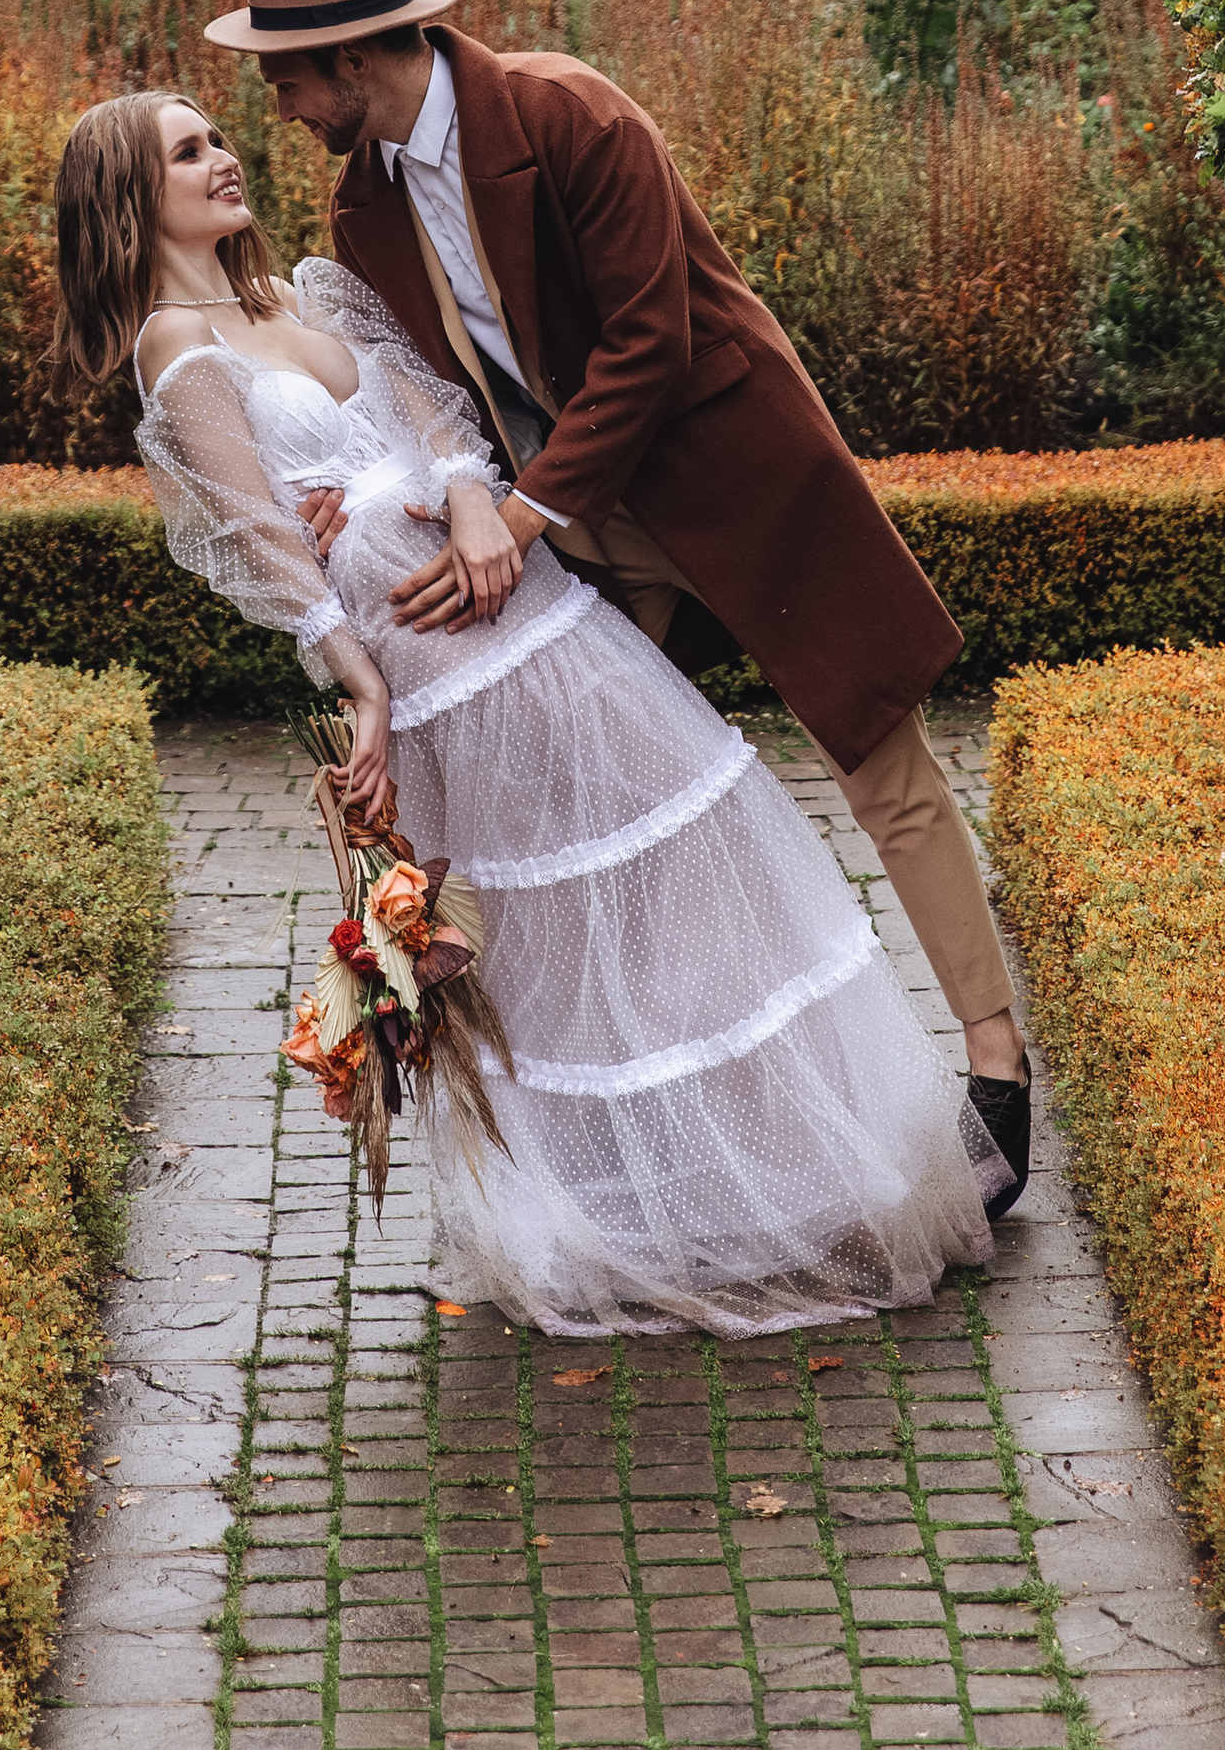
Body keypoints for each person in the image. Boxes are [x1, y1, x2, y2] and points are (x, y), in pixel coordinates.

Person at [53, 86, 1009, 1337]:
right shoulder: (177, 354)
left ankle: (758, 1171)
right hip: (431, 660)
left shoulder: (303, 291)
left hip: (532, 606)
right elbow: (264, 556)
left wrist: (466, 512)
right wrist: (365, 694)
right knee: (542, 927)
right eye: (188, 154)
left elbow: (442, 424)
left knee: (682, 844)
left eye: (219, 137)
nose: (225, 158)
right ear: (133, 198)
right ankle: (614, 1210)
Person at [203, 0, 1035, 1215]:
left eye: (288, 76)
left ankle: (995, 1070)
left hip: (731, 480)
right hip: (578, 522)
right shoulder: (360, 206)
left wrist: (521, 519)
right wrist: (372, 491)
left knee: (886, 769)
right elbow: (428, 394)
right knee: (572, 796)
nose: (285, 104)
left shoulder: (570, 114)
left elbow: (653, 348)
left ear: (355, 57)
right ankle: (646, 1107)